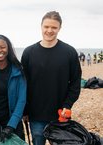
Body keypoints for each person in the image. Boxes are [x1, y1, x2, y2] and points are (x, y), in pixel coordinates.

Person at [21, 11, 82, 145]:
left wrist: (68, 104)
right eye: (46, 27)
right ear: (41, 27)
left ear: (59, 28)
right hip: (36, 114)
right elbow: (23, 84)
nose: (49, 30)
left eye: (54, 27)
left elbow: (76, 81)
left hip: (61, 114)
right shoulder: (29, 53)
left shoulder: (69, 52)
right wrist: (24, 110)